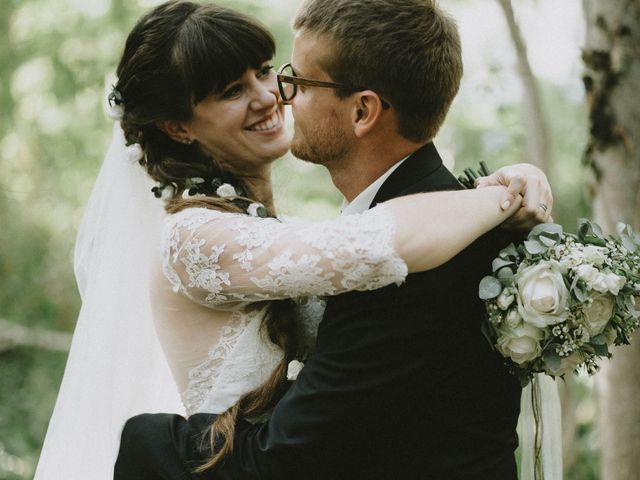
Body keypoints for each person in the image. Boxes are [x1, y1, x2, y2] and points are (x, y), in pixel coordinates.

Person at [35, 1, 552, 479]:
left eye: (272, 73)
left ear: (363, 110)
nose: (271, 96)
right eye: (232, 91)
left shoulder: (303, 234)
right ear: (179, 127)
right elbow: (369, 246)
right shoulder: (195, 237)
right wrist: (500, 194)